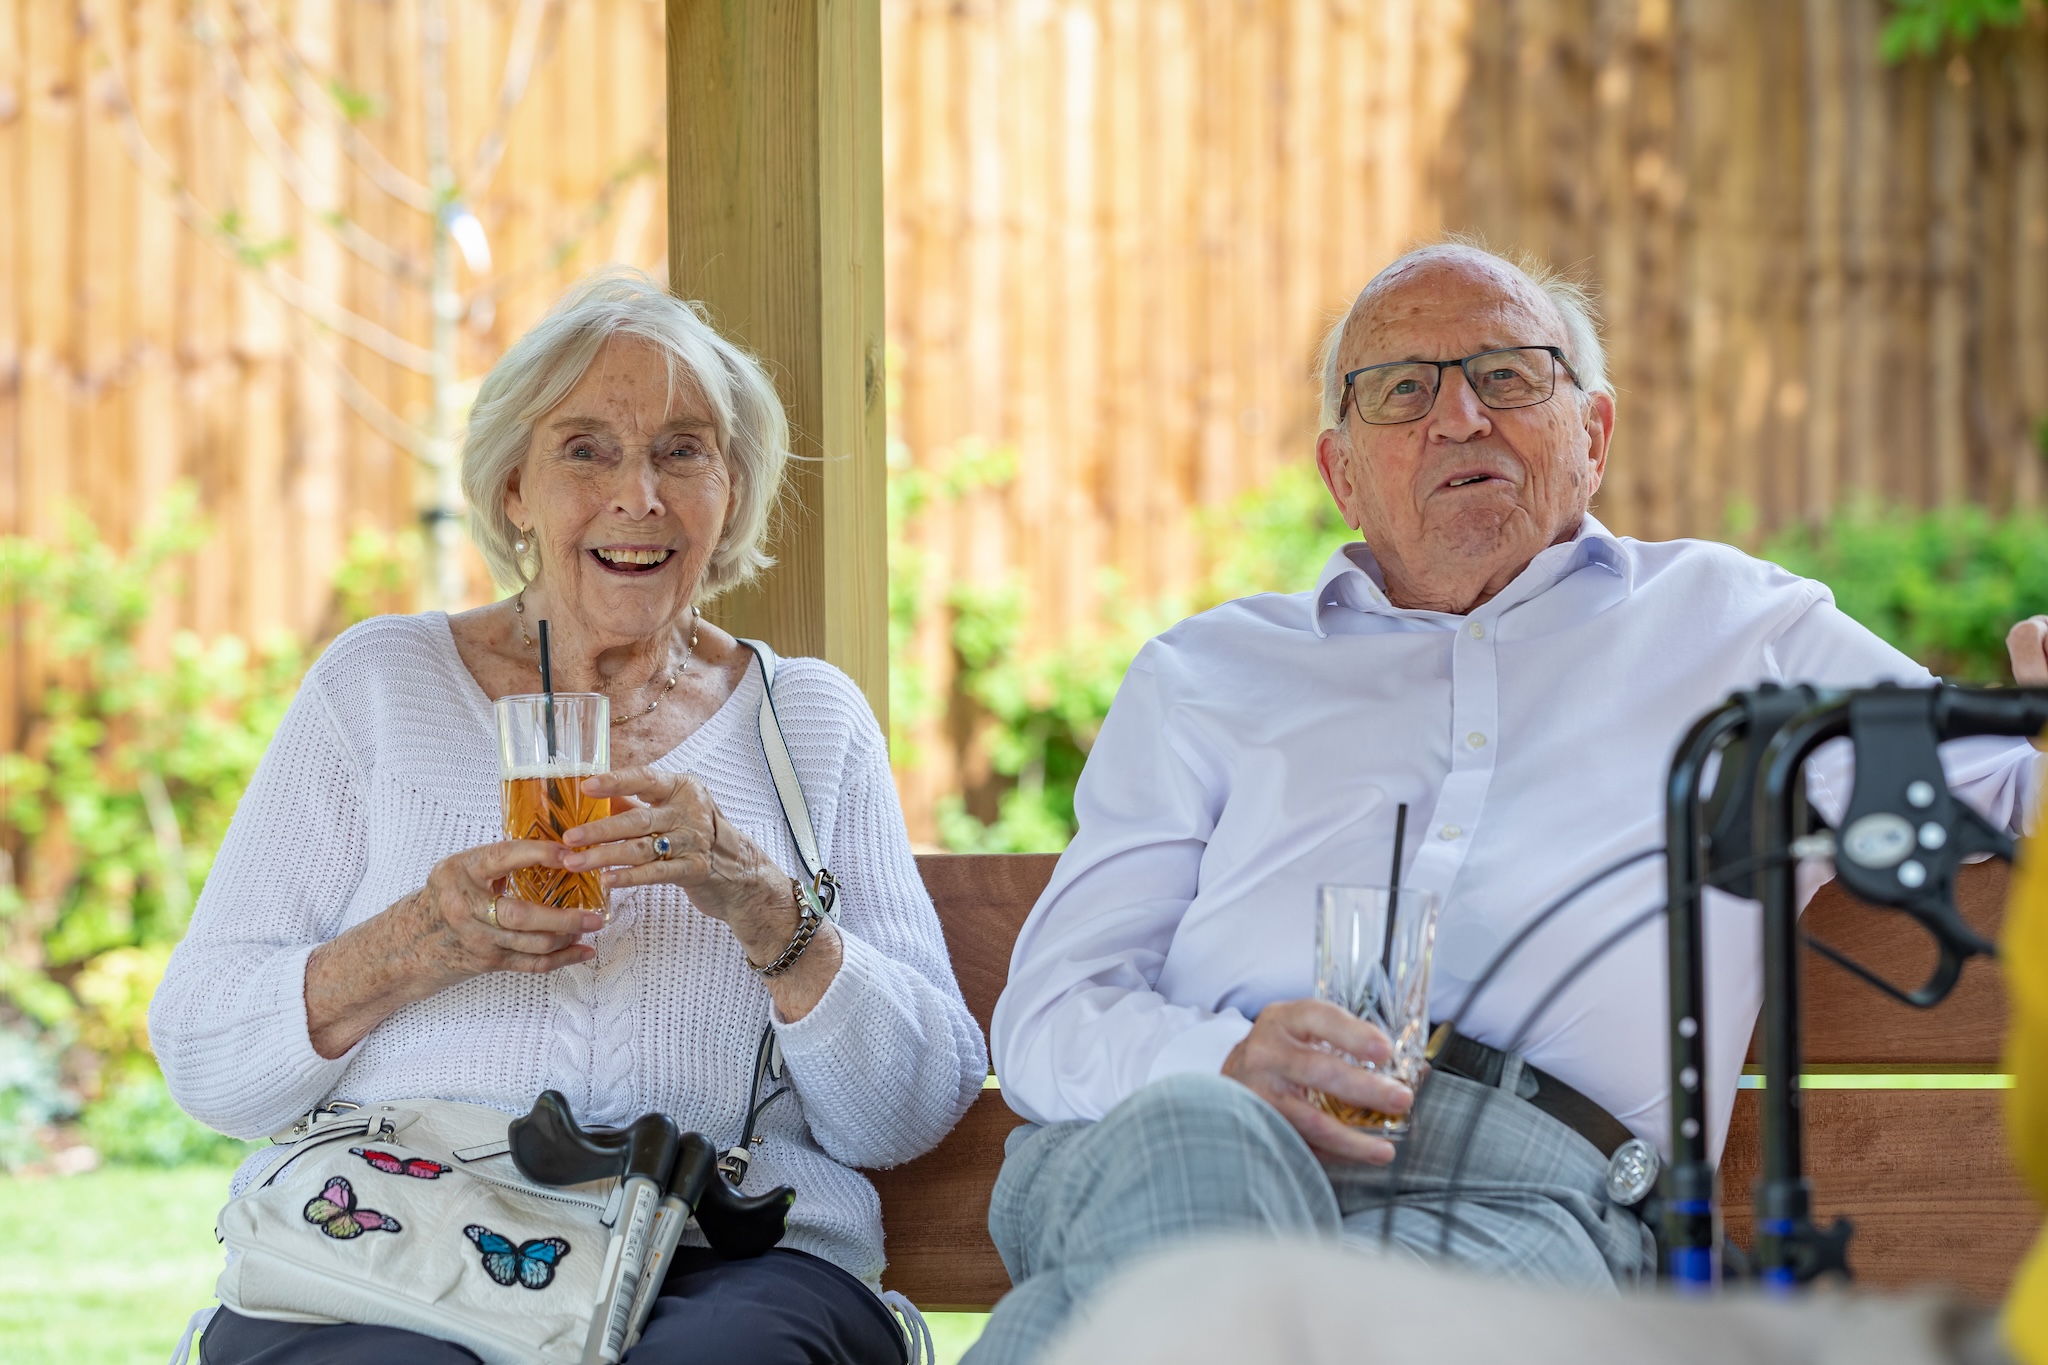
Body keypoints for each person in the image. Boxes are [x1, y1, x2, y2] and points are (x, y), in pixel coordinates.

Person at [965, 240, 2046, 1365]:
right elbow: (1051, 1013)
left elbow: (2006, 790)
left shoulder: (1742, 632)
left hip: (1523, 1203)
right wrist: (1225, 1063)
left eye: (1507, 375)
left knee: (1081, 1330)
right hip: (1180, 1136)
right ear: (1341, 471)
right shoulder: (1206, 673)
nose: (1458, 419)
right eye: (1402, 390)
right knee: (1199, 1158)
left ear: (1594, 433)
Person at [150, 267, 987, 1365]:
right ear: (512, 490)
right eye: (585, 449)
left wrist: (765, 911)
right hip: (403, 1236)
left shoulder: (806, 722)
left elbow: (909, 1110)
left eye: (681, 451)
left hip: (721, 1252)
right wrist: (423, 941)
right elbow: (206, 1056)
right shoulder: (380, 687)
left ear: (730, 490)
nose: (636, 494)